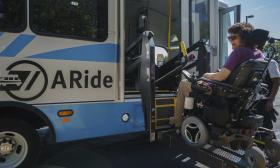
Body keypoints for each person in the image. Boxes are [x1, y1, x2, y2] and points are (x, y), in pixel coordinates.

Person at [170, 22, 264, 128]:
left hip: (222, 90)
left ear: (244, 38)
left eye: (233, 38)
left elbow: (221, 77)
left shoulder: (238, 52)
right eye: (229, 38)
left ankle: (177, 121)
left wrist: (206, 75)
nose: (231, 41)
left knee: (184, 83)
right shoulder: (259, 54)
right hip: (241, 93)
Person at [256, 59, 280, 129]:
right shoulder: (249, 60)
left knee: (266, 128)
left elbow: (276, 83)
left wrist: (270, 101)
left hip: (263, 101)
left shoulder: (271, 62)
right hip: (250, 101)